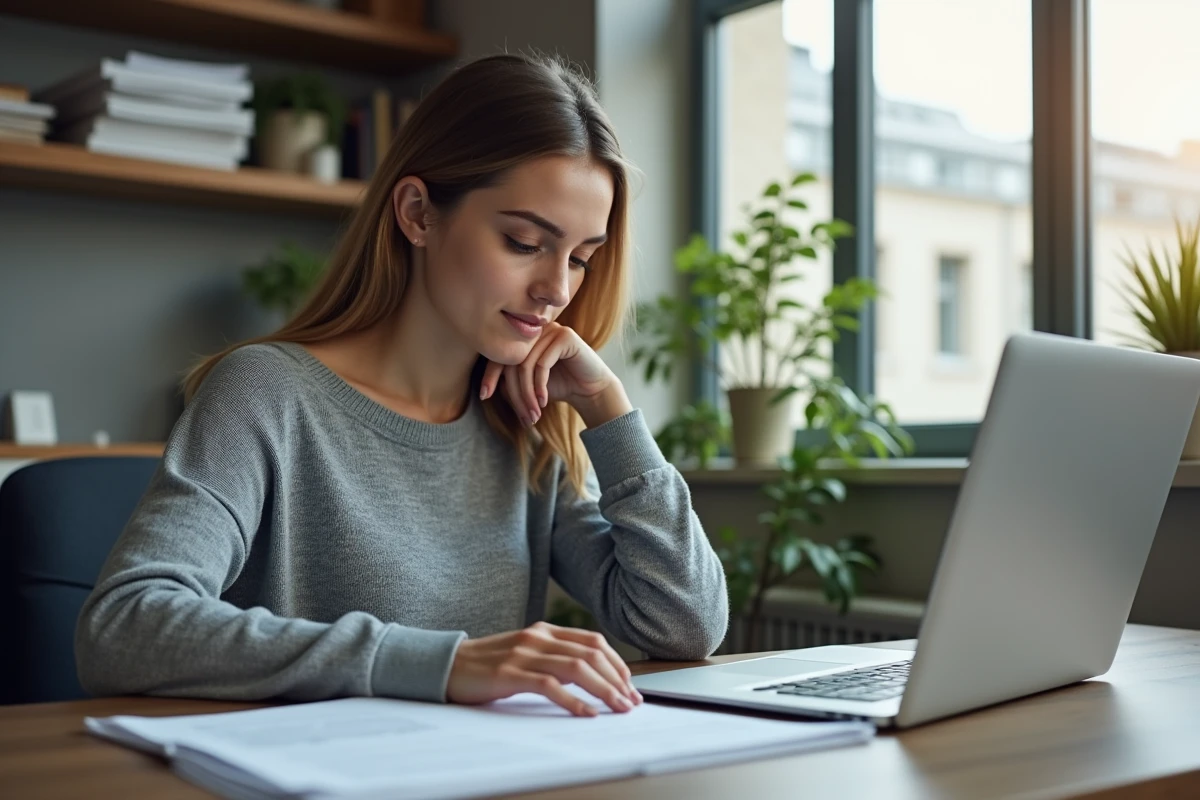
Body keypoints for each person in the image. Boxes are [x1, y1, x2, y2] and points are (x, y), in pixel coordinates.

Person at [75, 53, 729, 719]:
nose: (557, 289)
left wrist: (608, 410)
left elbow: (683, 626)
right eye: (525, 242)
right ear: (418, 213)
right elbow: (124, 626)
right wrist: (438, 665)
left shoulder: (525, 426)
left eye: (582, 258)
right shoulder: (266, 394)